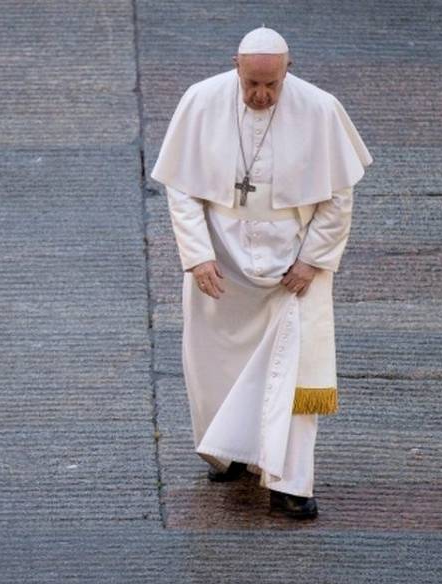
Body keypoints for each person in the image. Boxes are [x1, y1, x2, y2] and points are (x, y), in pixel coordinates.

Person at [150, 26, 372, 519]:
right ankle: (228, 451)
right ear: (236, 66)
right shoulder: (201, 101)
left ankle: (290, 481)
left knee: (294, 375)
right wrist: (198, 254)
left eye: (271, 85)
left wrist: (313, 258)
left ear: (287, 71)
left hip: (293, 266)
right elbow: (182, 189)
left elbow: (338, 196)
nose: (260, 95)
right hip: (222, 262)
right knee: (215, 365)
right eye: (251, 83)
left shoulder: (319, 109)